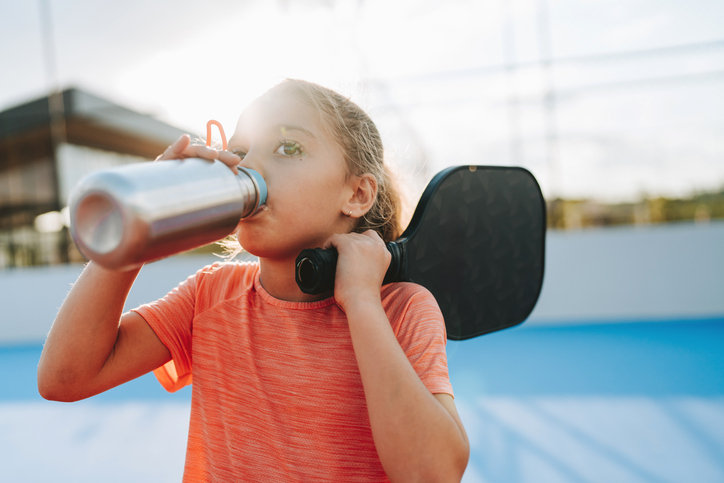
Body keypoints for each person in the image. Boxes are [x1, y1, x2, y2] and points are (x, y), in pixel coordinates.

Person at [37, 79, 469, 482]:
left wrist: (361, 301)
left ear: (356, 194)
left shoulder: (401, 309)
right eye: (240, 151)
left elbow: (432, 472)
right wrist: (136, 229)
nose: (249, 167)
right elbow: (64, 378)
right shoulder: (210, 296)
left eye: (288, 147)